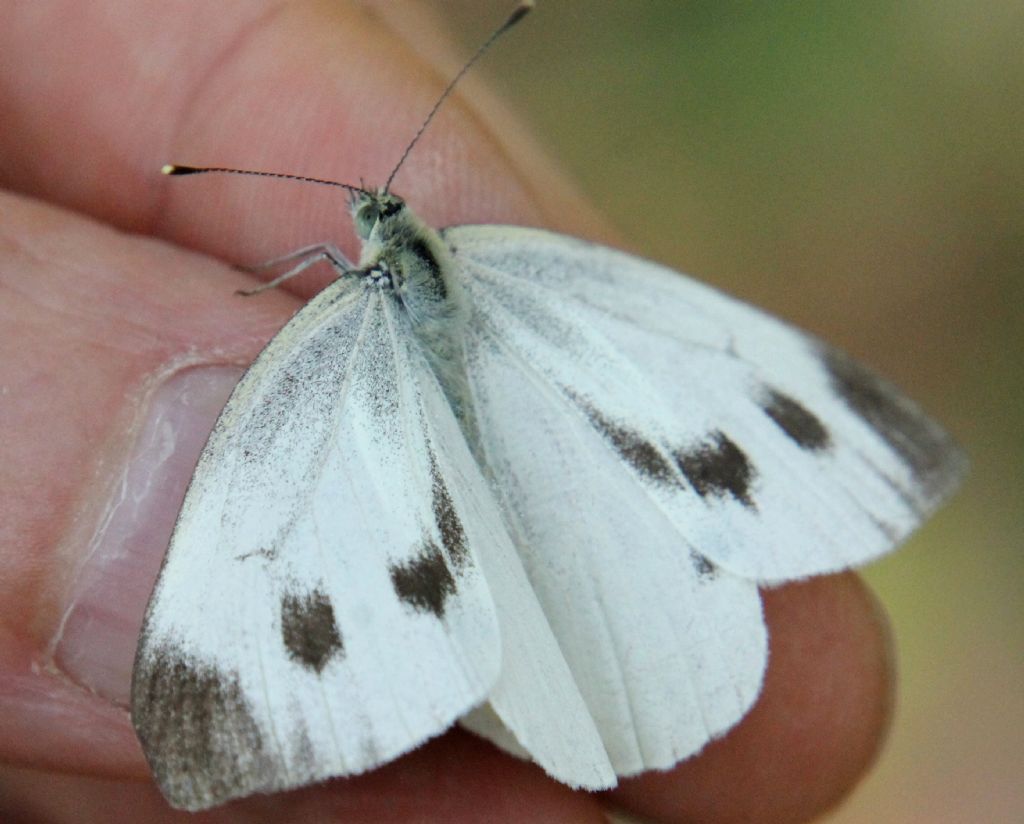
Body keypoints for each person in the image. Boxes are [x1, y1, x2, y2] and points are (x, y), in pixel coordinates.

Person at [0, 2, 893, 820]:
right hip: (549, 552)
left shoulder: (354, 318)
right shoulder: (529, 270)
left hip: (544, 557)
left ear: (367, 241)